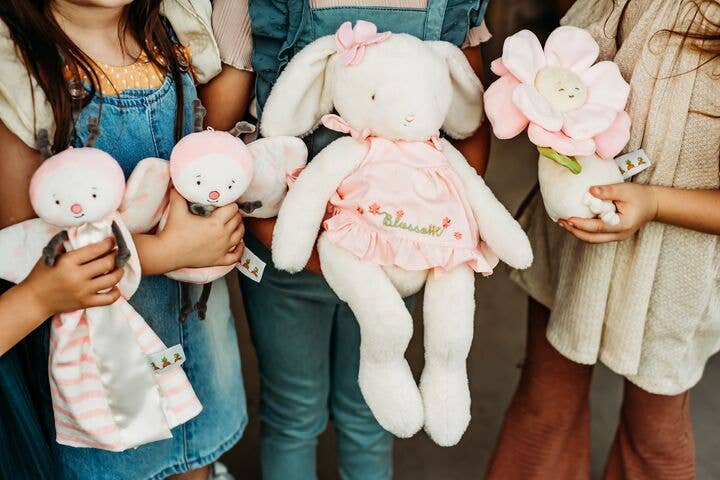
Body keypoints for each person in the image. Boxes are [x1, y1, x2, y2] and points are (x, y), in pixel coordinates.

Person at [205, 1, 491, 478]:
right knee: (295, 412)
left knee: (371, 411)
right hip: (285, 248)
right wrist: (272, 230)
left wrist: (437, 226)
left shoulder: (453, 9)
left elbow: (470, 115)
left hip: (398, 260)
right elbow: (222, 122)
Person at [0, 1, 247, 478]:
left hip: (195, 328)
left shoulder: (174, 26)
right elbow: (32, 245)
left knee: (195, 457)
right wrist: (170, 251)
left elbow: (211, 138)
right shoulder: (19, 66)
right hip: (104, 360)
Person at [486, 1, 720, 478]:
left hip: (678, 272)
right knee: (543, 407)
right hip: (577, 243)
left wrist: (654, 203)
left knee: (655, 436)